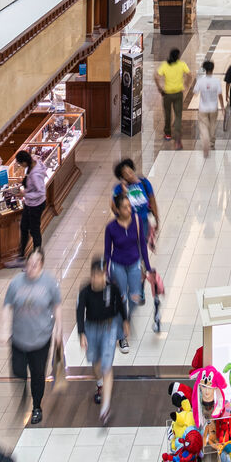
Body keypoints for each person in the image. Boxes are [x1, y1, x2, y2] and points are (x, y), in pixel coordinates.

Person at [2, 249, 61, 425]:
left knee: (37, 374)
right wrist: (2, 329)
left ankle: (36, 406)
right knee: (18, 370)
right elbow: (7, 306)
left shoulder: (50, 283)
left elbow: (57, 306)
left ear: (41, 265)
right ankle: (23, 392)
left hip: (41, 338)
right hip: (19, 338)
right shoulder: (15, 283)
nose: (31, 267)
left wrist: (59, 329)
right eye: (29, 263)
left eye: (36, 264)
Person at [76, 257, 130, 424]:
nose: (97, 279)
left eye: (100, 275)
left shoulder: (111, 288)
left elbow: (121, 306)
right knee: (96, 362)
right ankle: (99, 383)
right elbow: (79, 312)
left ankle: (105, 409)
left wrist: (125, 321)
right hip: (91, 327)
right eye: (94, 275)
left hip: (109, 327)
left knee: (107, 366)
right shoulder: (85, 291)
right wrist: (81, 333)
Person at [104, 192, 149, 343]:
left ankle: (127, 320)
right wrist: (107, 272)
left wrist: (147, 267)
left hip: (134, 264)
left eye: (129, 206)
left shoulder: (136, 221)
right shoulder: (111, 228)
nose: (129, 210)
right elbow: (107, 251)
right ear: (117, 210)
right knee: (121, 298)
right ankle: (121, 336)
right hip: (118, 266)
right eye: (124, 207)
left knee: (135, 298)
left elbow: (142, 244)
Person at [154, 45, 193, 149]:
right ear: (178, 56)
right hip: (178, 93)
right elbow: (190, 75)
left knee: (167, 114)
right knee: (178, 115)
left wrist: (160, 88)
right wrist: (186, 85)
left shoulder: (165, 65)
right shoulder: (182, 64)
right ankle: (177, 138)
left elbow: (156, 76)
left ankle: (168, 134)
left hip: (167, 94)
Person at [112, 158, 159, 240]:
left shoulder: (144, 183)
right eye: (126, 174)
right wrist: (124, 192)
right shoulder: (118, 189)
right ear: (122, 177)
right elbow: (114, 208)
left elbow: (152, 201)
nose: (130, 175)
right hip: (127, 224)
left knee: (141, 245)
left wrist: (156, 218)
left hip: (143, 222)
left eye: (130, 172)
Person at [14, 148, 46, 259]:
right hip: (29, 204)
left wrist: (25, 195)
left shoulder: (35, 174)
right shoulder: (31, 164)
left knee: (34, 230)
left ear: (23, 162)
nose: (20, 166)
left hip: (36, 205)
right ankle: (21, 254)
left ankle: (37, 257)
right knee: (24, 227)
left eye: (19, 164)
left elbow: (41, 192)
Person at [196, 58, 224, 156]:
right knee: (212, 125)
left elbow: (195, 92)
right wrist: (223, 107)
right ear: (212, 69)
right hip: (213, 108)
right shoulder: (216, 81)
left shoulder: (200, 81)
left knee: (203, 126)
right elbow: (220, 95)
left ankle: (205, 141)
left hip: (203, 108)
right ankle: (211, 143)